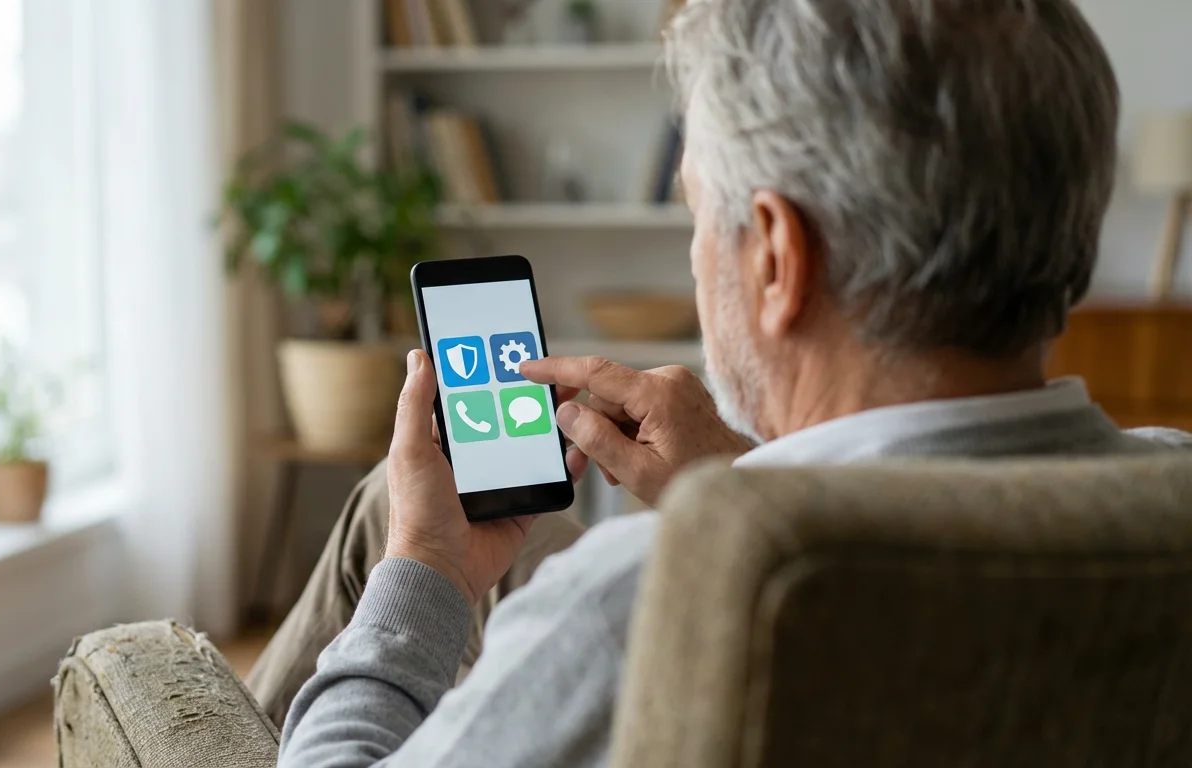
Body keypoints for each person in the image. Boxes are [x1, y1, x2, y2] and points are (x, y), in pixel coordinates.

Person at [254, 0, 1192, 764]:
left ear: (776, 257)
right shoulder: (1172, 484)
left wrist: (424, 563)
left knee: (399, 524)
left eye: (700, 217)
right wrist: (742, 482)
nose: (699, 258)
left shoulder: (649, 602)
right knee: (390, 501)